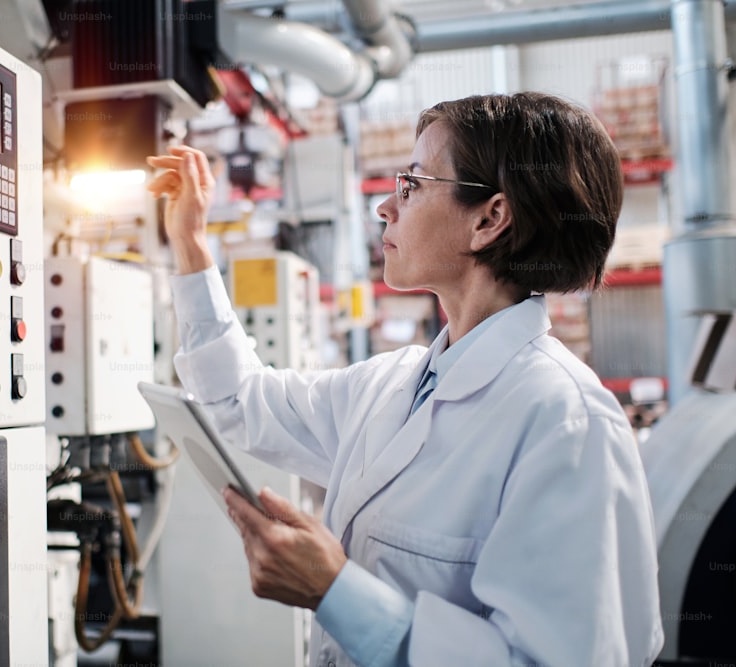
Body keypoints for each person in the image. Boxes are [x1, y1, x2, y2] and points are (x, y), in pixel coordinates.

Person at [146, 92, 663, 667]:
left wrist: (335, 592)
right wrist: (190, 245)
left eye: (412, 185)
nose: (385, 208)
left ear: (489, 219)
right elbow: (238, 401)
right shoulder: (390, 385)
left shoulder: (566, 421)